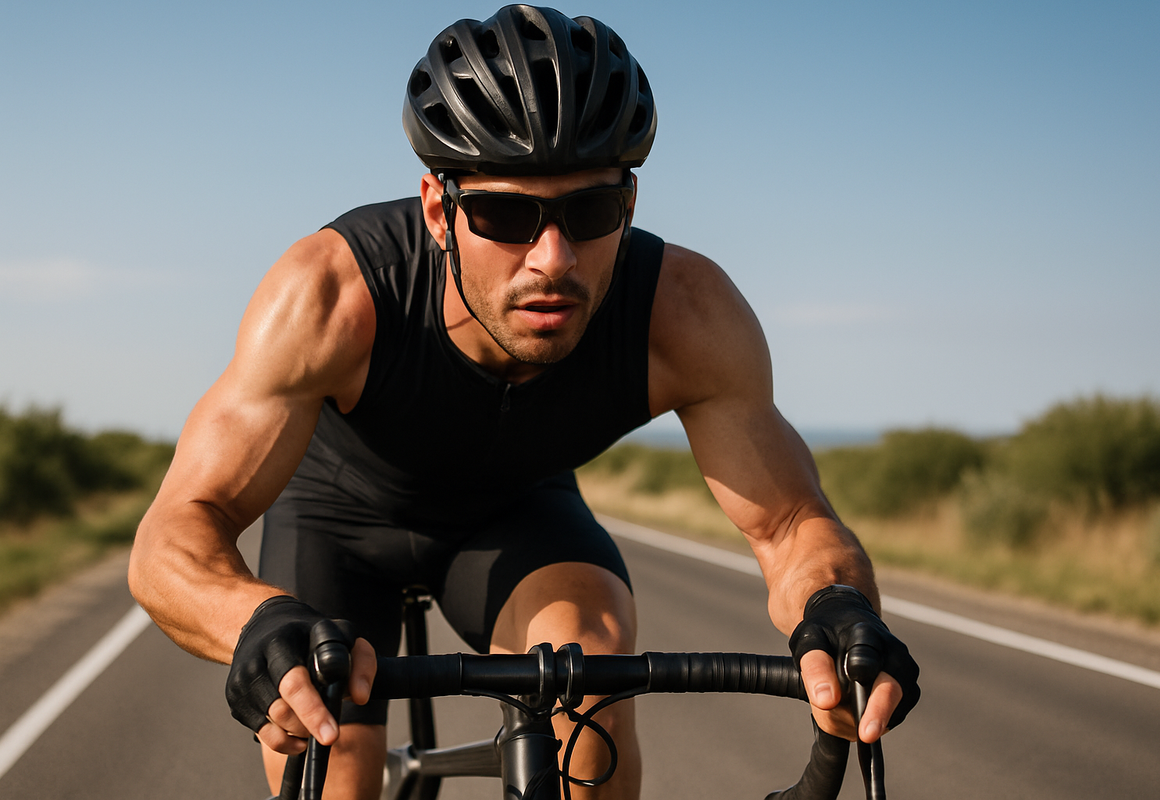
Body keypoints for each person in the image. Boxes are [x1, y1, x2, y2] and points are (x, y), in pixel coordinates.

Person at [129, 5, 919, 799]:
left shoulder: (684, 316)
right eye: (505, 214)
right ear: (439, 211)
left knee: (588, 680)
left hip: (514, 515)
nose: (553, 259)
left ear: (629, 206)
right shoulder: (329, 297)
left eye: (590, 212)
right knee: (331, 764)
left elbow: (789, 525)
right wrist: (250, 621)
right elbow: (176, 533)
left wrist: (839, 604)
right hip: (336, 520)